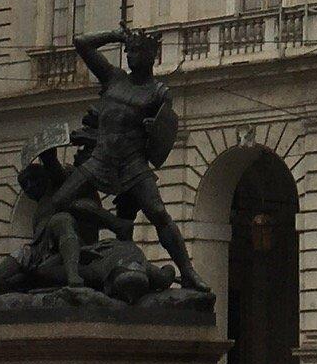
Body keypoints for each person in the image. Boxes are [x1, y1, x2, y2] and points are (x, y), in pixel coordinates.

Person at [41, 27, 209, 292]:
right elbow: (81, 42)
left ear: (151, 56)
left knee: (158, 213)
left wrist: (153, 129)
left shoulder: (159, 92)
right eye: (128, 50)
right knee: (61, 201)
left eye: (136, 51)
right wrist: (116, 36)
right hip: (100, 159)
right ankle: (113, 225)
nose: (130, 55)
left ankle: (187, 271)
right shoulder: (113, 78)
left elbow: (163, 137)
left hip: (133, 163)